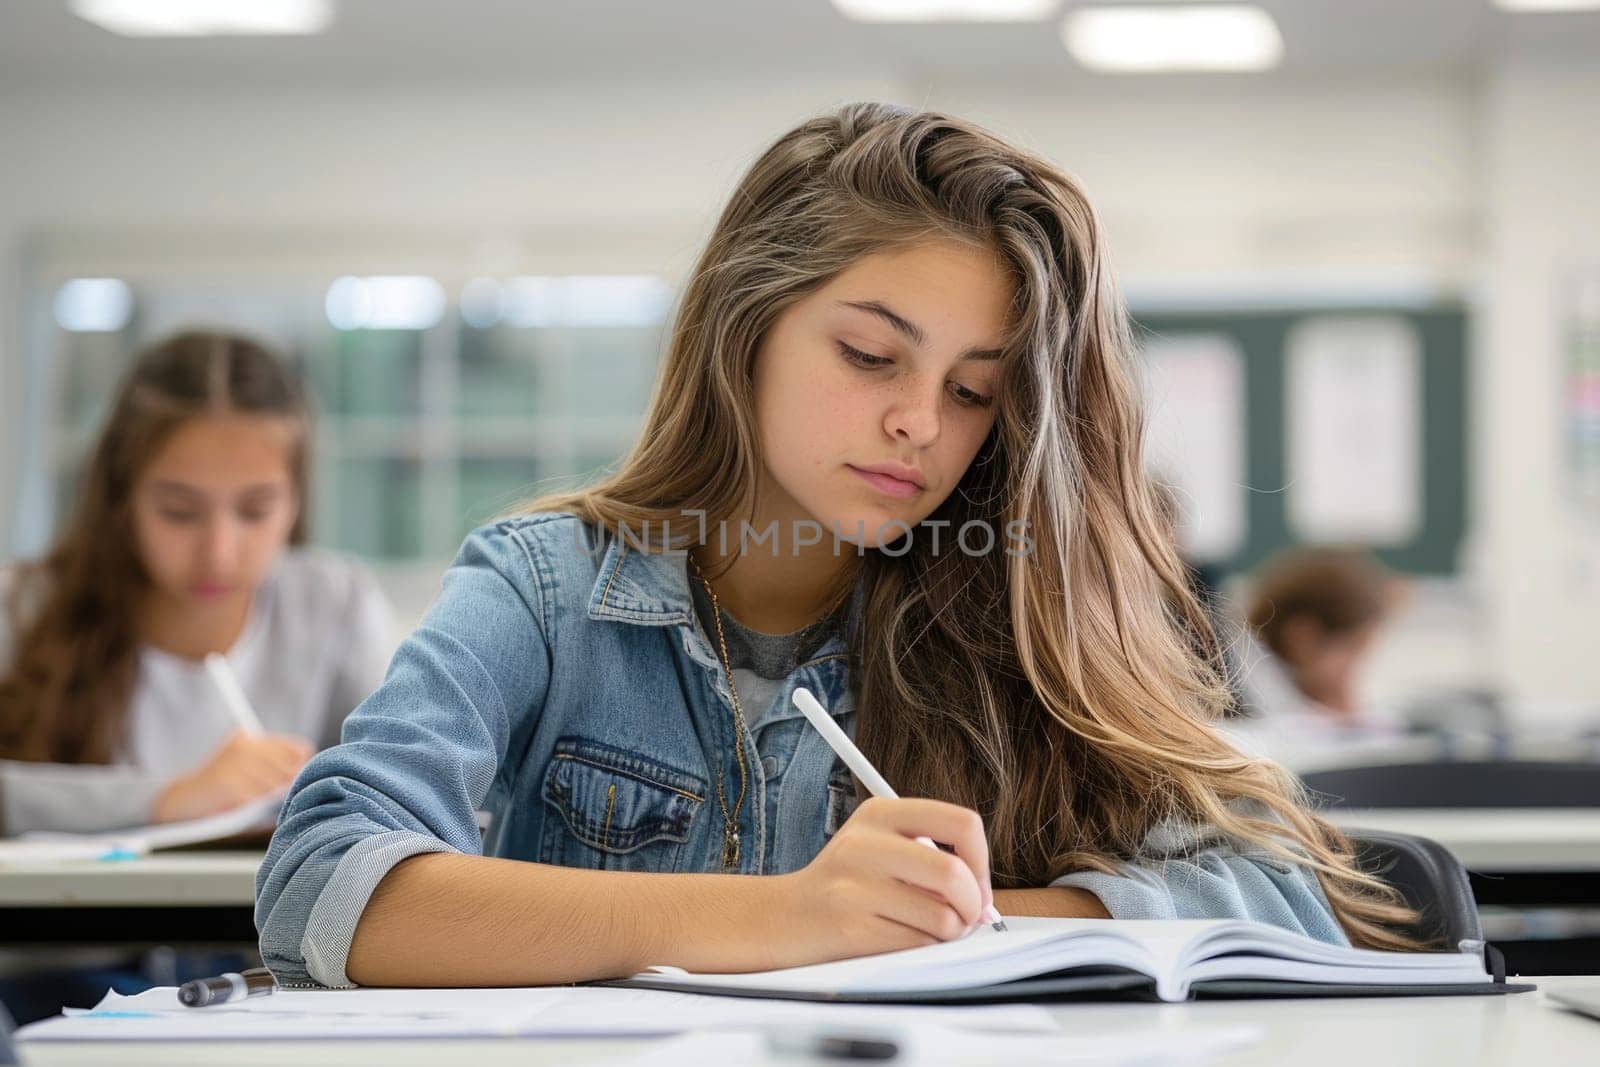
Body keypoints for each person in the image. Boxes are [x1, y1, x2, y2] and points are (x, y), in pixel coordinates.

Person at [258, 103, 1424, 992]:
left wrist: (965, 913)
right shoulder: (545, 587)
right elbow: (322, 883)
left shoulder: (1012, 606)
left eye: (973, 391)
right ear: (745, 326)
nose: (921, 421)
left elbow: (1285, 894)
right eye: (871, 356)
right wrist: (789, 918)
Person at [0, 330, 396, 837]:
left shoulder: (336, 605)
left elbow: (394, 789)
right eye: (179, 512)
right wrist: (169, 799)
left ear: (296, 500)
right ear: (123, 498)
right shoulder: (23, 605)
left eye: (255, 511)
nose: (219, 552)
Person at [1230, 547, 1407, 760]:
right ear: (1304, 638)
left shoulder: (1301, 689)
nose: (1358, 666)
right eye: (1353, 650)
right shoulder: (1246, 704)